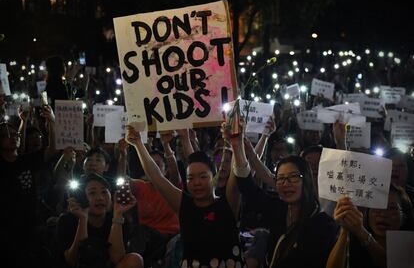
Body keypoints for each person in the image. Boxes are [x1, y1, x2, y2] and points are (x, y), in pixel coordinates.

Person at [125, 125, 245, 268]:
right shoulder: (184, 204)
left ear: (214, 177)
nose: (197, 183)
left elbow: (239, 170)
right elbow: (156, 177)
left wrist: (237, 142)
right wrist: (138, 144)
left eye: (203, 176)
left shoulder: (228, 203)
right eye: (191, 178)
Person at [228, 118, 338, 268]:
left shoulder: (323, 224)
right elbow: (248, 188)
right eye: (280, 178)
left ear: (306, 180)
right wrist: (237, 146)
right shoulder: (278, 209)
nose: (286, 184)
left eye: (293, 177)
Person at [0, 104, 57, 267]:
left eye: (15, 134)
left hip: (29, 225)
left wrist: (52, 122)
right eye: (5, 135)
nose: (13, 137)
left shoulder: (26, 161)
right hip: (4, 229)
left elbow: (52, 150)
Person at [56, 173, 143, 268]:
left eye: (104, 192)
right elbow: (73, 261)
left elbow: (116, 258)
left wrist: (118, 214)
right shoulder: (67, 220)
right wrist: (83, 219)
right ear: (80, 197)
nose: (100, 198)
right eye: (92, 193)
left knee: (134, 259)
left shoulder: (119, 219)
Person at [326, 184, 414, 268]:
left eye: (391, 208)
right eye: (376, 206)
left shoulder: (409, 245)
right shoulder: (356, 239)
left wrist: (361, 232)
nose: (383, 214)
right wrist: (345, 230)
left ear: (404, 216)